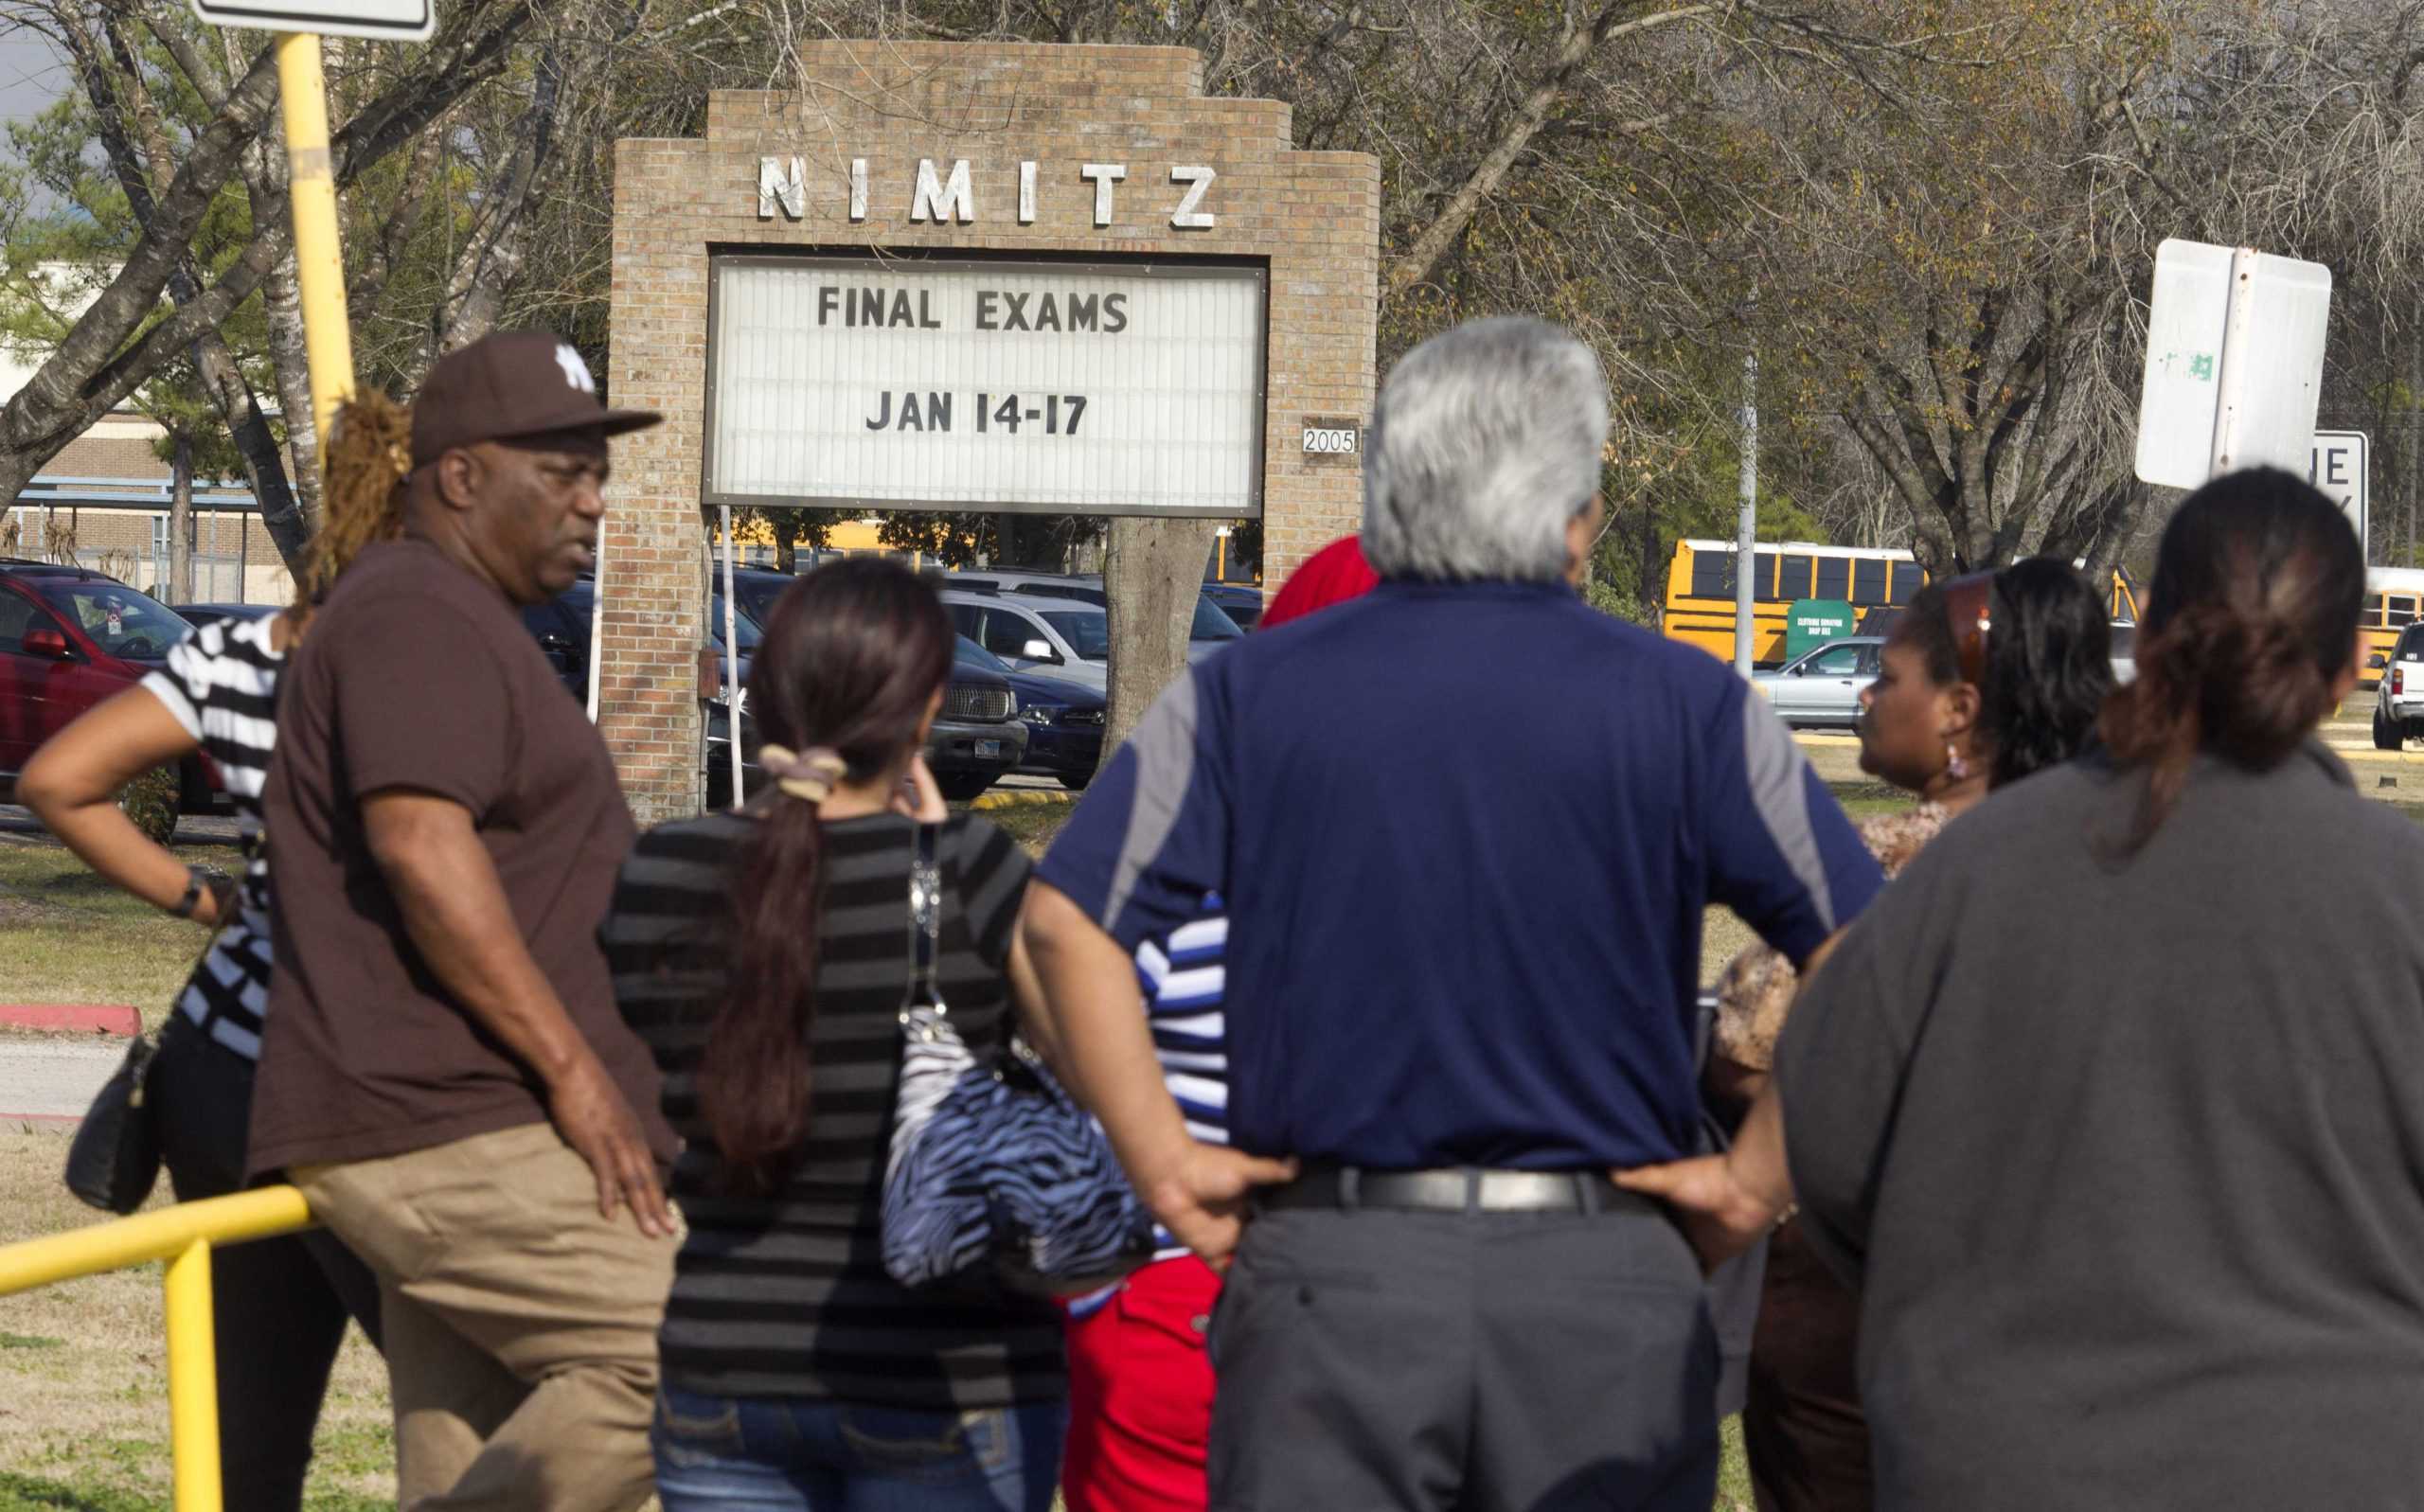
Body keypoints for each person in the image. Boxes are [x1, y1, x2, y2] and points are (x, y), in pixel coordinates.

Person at [1018, 315, 1885, 1511]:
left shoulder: (1246, 695)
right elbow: (1864, 950)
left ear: (1384, 494)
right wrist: (1751, 1181)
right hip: (1599, 1281)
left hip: (1334, 1271)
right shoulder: (1691, 703)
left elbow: (1065, 922)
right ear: (1577, 512)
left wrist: (1163, 1163)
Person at [1626, 468, 2424, 1509]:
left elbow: (1831, 1151)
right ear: (2354, 666)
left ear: (2163, 632)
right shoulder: (2400, 900)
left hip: (2002, 1448)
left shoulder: (1958, 871)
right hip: (2335, 1457)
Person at [247, 331, 679, 1511]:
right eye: (562, 473)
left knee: (479, 1467)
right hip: (447, 1122)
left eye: (598, 474)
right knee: (698, 1349)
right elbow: (422, 850)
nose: (591, 503)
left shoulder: (453, 612)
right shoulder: (413, 610)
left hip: (469, 1118)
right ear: (459, 475)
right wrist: (579, 1073)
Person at [13, 393, 418, 1511]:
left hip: (224, 1070)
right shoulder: (424, 662)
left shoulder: (240, 656)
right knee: (484, 1402)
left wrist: (214, 901)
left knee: (252, 1434)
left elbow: (58, 779)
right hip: (367, 1077)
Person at [601, 558, 1067, 1512]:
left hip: (722, 1372)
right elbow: (1075, 1061)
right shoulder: (972, 873)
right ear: (925, 708)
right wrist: (940, 850)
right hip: (941, 1376)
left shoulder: (661, 873)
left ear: (767, 697)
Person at [1708, 558, 2112, 1511]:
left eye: (1887, 677)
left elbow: (1745, 1056)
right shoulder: (2115, 865)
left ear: (1957, 710)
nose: (1865, 690)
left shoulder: (1885, 873)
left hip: (1855, 1319)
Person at [1057, 533, 1378, 1512]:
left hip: (1177, 1300)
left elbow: (1065, 1032)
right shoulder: (1496, 859)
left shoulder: (1174, 850)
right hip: (1402, 1308)